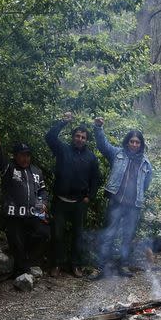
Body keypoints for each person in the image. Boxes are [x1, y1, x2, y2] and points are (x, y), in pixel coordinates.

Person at [89, 117, 153, 279]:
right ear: (127, 142)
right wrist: (98, 128)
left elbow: (146, 184)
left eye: (137, 142)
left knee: (127, 236)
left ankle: (123, 266)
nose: (134, 144)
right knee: (109, 235)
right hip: (116, 203)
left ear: (141, 144)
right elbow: (103, 145)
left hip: (133, 206)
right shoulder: (117, 154)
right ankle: (101, 267)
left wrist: (137, 195)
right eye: (132, 141)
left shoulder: (145, 163)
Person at [45, 112, 101, 278]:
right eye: (77, 136)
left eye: (83, 137)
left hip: (79, 203)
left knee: (78, 235)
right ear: (73, 137)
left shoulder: (91, 157)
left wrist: (89, 197)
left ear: (86, 140)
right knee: (57, 234)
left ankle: (76, 265)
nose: (80, 139)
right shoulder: (62, 150)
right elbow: (49, 137)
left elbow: (95, 180)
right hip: (60, 201)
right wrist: (63, 122)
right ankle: (56, 264)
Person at [0, 136, 50, 277]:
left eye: (28, 155)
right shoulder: (9, 167)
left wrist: (43, 204)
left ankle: (28, 262)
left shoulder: (36, 171)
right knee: (16, 241)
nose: (25, 159)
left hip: (33, 213)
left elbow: (42, 190)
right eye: (22, 155)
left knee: (44, 233)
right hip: (13, 214)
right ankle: (21, 272)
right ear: (15, 156)